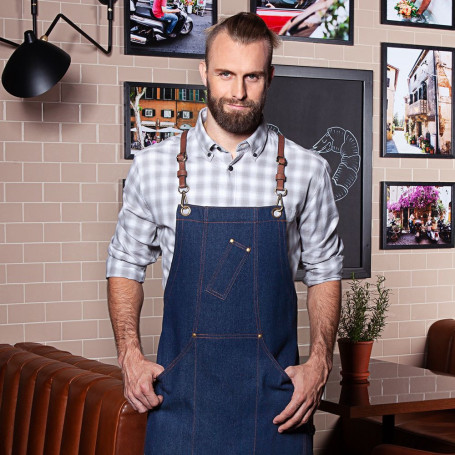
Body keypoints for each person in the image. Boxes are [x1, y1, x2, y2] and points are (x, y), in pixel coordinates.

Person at [107, 12, 343, 455]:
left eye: (252, 77)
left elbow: (325, 272)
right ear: (204, 73)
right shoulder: (154, 167)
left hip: (277, 403)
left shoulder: (308, 170)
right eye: (226, 74)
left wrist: (319, 363)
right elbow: (124, 264)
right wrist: (129, 357)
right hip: (180, 400)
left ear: (270, 78)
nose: (238, 92)